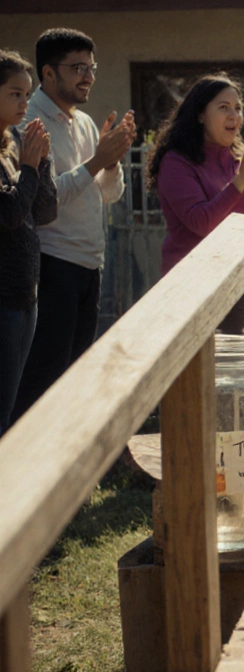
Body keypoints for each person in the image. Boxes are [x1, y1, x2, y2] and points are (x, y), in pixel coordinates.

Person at [12, 28, 136, 419]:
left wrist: (111, 161)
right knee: (44, 379)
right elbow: (44, 200)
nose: (88, 77)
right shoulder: (27, 121)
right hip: (51, 262)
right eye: (77, 67)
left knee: (75, 373)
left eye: (92, 67)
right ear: (48, 74)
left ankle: (68, 472)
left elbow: (106, 194)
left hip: (89, 263)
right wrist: (98, 160)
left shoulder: (82, 122)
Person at [149, 75, 244, 333]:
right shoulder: (176, 162)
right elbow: (202, 222)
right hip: (189, 285)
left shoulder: (240, 158)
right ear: (200, 115)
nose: (234, 115)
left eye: (238, 108)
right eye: (223, 108)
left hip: (239, 283)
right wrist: (240, 182)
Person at [0, 50, 56, 434]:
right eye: (14, 94)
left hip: (24, 295)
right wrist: (31, 168)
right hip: (1, 297)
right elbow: (8, 213)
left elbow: (45, 211)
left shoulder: (15, 144)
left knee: (12, 403)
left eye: (27, 94)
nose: (24, 103)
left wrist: (42, 162)